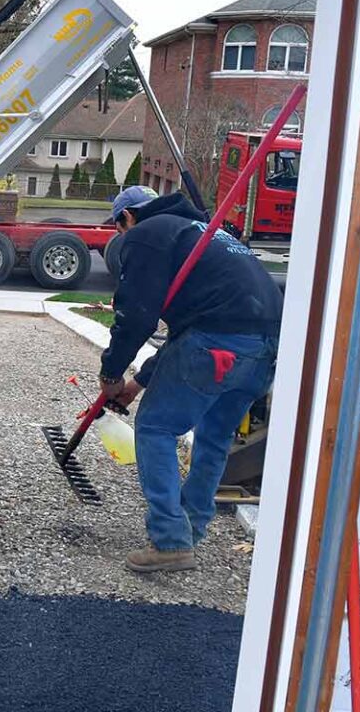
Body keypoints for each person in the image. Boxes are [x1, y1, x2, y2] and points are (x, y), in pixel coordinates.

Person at [96, 185, 282, 574]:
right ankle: (191, 529)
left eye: (118, 230)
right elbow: (191, 329)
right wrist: (136, 383)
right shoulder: (203, 231)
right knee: (214, 436)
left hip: (217, 340)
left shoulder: (146, 234)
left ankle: (169, 540)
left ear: (125, 219)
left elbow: (137, 315)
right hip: (263, 347)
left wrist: (111, 372)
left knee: (155, 426)